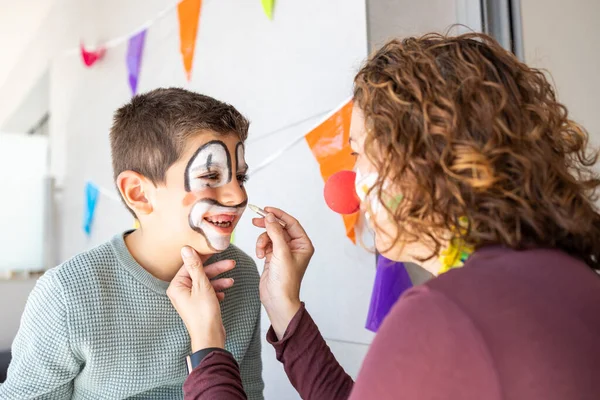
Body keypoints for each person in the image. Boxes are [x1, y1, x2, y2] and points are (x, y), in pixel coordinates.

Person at [168, 33, 600, 399]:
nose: (348, 181)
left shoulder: (444, 315)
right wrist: (284, 308)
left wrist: (207, 347)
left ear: (421, 162)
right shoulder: (571, 276)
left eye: (358, 153)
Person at [0, 88, 264, 399]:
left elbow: (249, 392)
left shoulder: (243, 274)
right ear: (139, 193)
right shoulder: (67, 294)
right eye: (210, 176)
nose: (238, 196)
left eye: (241, 178)